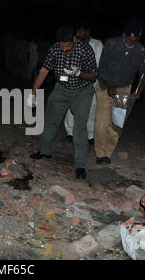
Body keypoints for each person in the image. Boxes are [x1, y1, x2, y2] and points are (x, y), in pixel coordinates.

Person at [29, 26, 98, 180]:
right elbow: (44, 71)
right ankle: (45, 151)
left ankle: (80, 165)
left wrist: (80, 73)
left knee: (80, 127)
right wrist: (33, 92)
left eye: (67, 46)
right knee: (50, 120)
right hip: (61, 88)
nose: (65, 49)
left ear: (74, 39)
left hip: (82, 92)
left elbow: (93, 76)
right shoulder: (55, 49)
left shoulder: (85, 50)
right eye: (62, 46)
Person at [94, 19, 145, 165]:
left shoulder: (142, 51)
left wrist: (139, 90)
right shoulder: (111, 44)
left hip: (124, 90)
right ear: (123, 34)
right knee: (102, 121)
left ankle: (108, 153)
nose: (131, 43)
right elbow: (102, 68)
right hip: (105, 86)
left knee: (116, 122)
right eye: (128, 39)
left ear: (139, 37)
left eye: (135, 40)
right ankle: (100, 154)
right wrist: (109, 85)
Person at [64, 20, 104, 144]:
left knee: (92, 108)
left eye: (80, 31)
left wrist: (83, 72)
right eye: (77, 31)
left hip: (91, 81)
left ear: (87, 32)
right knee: (71, 108)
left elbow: (98, 64)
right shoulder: (74, 43)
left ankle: (90, 135)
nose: (78, 33)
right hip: (74, 81)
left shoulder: (97, 45)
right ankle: (70, 132)